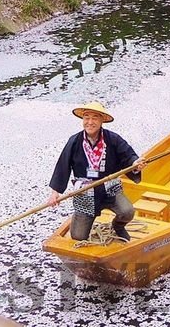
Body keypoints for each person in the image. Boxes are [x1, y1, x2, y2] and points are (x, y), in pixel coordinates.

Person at [47, 101, 145, 242]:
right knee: (78, 236)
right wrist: (55, 193)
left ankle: (118, 226)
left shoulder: (113, 139)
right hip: (85, 192)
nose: (90, 122)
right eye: (86, 117)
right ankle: (79, 216)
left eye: (95, 118)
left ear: (101, 121)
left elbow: (128, 156)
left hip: (110, 189)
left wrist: (135, 164)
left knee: (127, 212)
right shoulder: (74, 141)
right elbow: (63, 165)